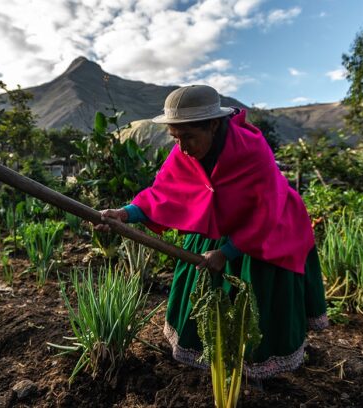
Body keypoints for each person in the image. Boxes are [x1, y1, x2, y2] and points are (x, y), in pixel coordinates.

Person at [97, 84, 328, 379]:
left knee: (255, 301)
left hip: (269, 227)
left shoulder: (252, 151)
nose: (181, 147)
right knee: (202, 294)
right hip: (216, 222)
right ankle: (210, 359)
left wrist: (227, 251)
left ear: (214, 125)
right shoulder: (184, 151)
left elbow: (267, 210)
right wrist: (125, 214)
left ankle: (256, 370)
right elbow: (165, 193)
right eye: (175, 138)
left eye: (189, 137)